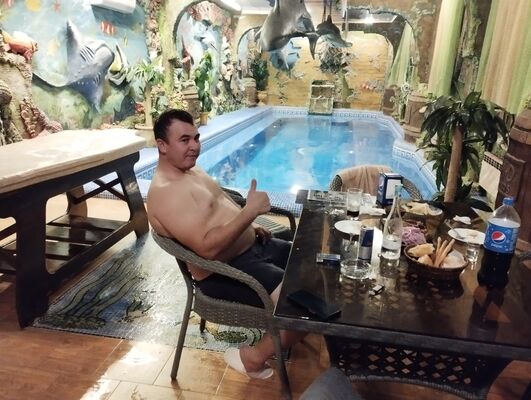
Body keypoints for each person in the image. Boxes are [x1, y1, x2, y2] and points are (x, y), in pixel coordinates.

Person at [146, 109, 303, 379]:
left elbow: (220, 204)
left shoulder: (191, 170)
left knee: (313, 267)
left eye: (196, 138)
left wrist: (249, 226)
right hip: (226, 271)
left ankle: (300, 331)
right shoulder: (165, 193)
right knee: (301, 307)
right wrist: (249, 213)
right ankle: (253, 358)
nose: (194, 146)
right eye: (184, 140)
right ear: (162, 145)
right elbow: (208, 249)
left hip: (254, 248)